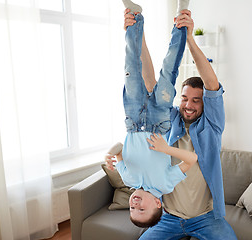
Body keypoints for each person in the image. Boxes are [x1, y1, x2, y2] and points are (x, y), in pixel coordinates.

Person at [123, 8, 238, 240]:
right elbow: (149, 80)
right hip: (168, 217)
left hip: (205, 218)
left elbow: (212, 83)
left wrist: (189, 39)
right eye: (184, 98)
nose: (188, 105)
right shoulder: (171, 119)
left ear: (205, 104)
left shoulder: (212, 125)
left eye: (196, 100)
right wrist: (138, 33)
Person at [105, 0, 198, 228]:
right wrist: (166, 149)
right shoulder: (166, 184)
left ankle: (135, 17)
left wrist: (110, 153)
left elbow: (120, 149)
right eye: (141, 208)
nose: (134, 203)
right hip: (159, 121)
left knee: (131, 69)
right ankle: (181, 19)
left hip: (133, 121)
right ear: (158, 203)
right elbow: (192, 159)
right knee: (169, 70)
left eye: (132, 208)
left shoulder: (127, 178)